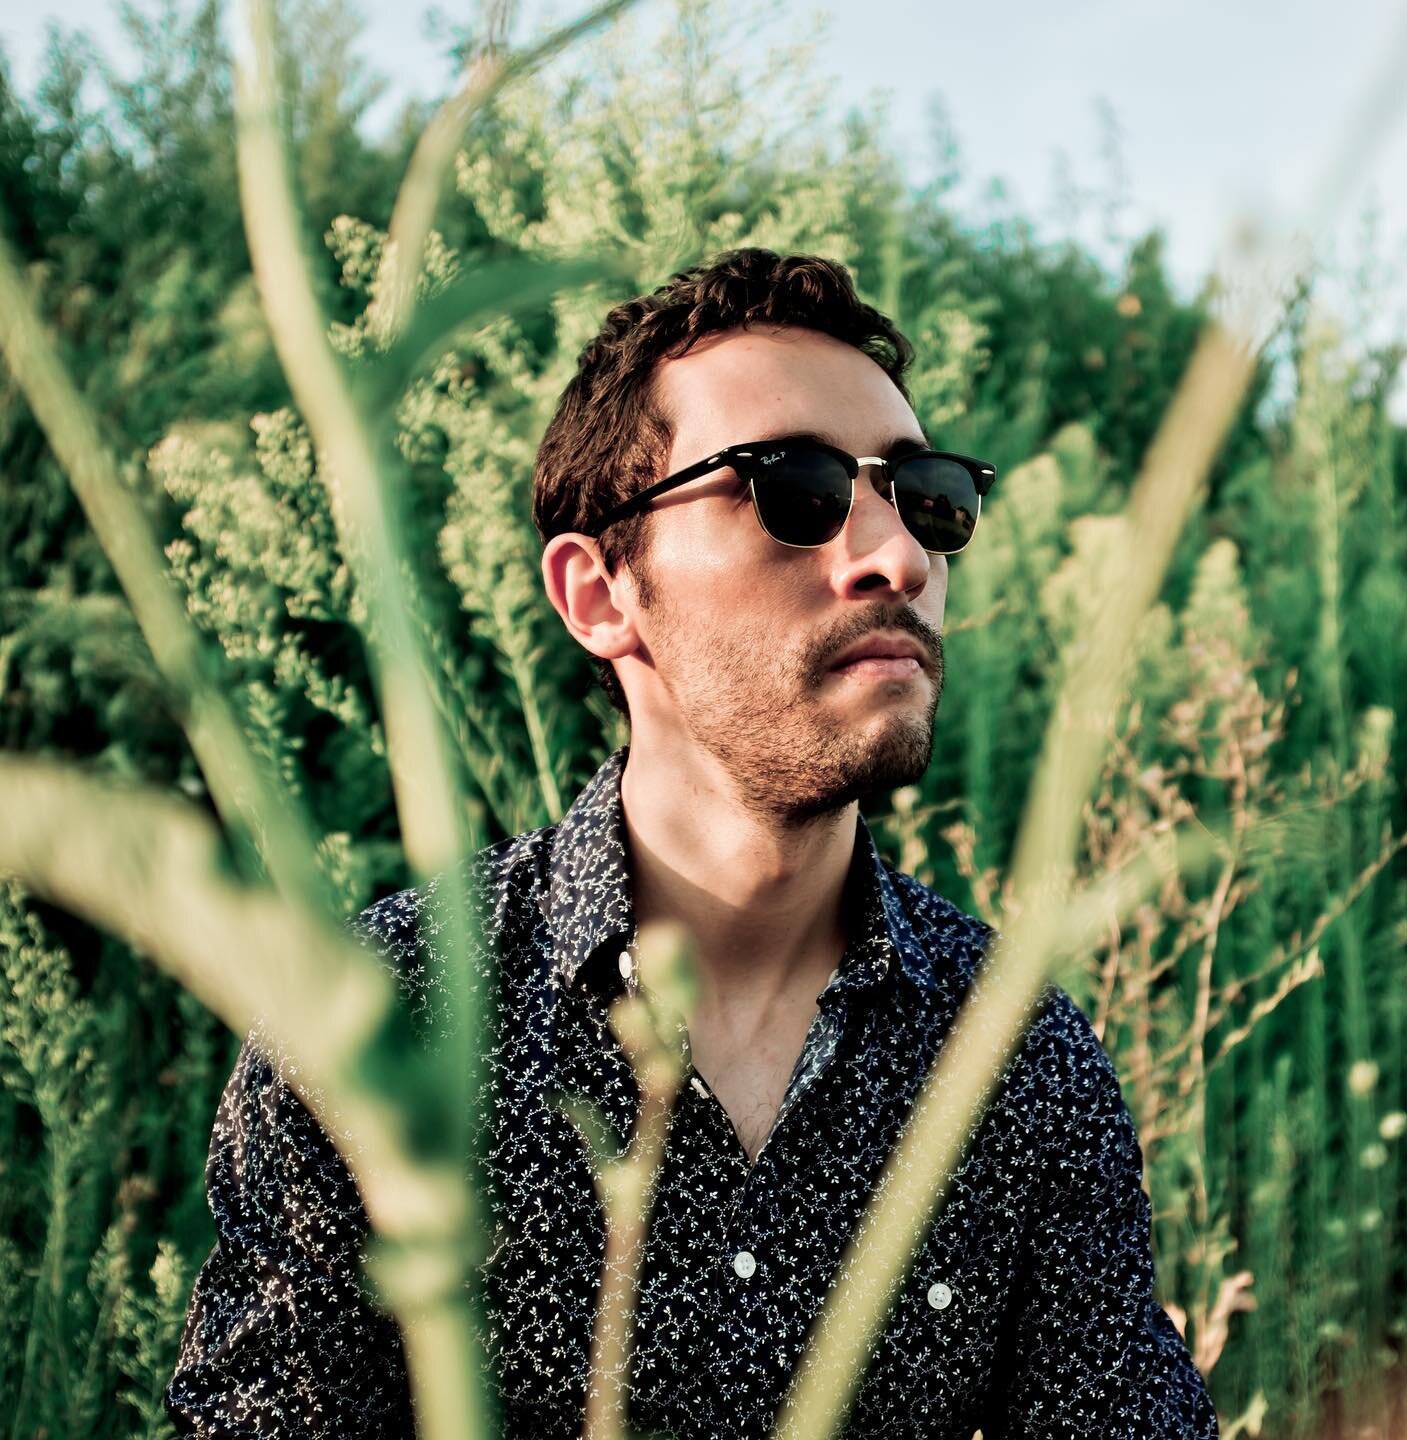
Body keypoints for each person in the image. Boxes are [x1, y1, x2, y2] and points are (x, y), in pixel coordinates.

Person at [166, 248, 1218, 1438]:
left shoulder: (1017, 1059)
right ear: (600, 595)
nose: (900, 557)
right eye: (797, 490)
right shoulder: (376, 1029)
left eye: (924, 496)